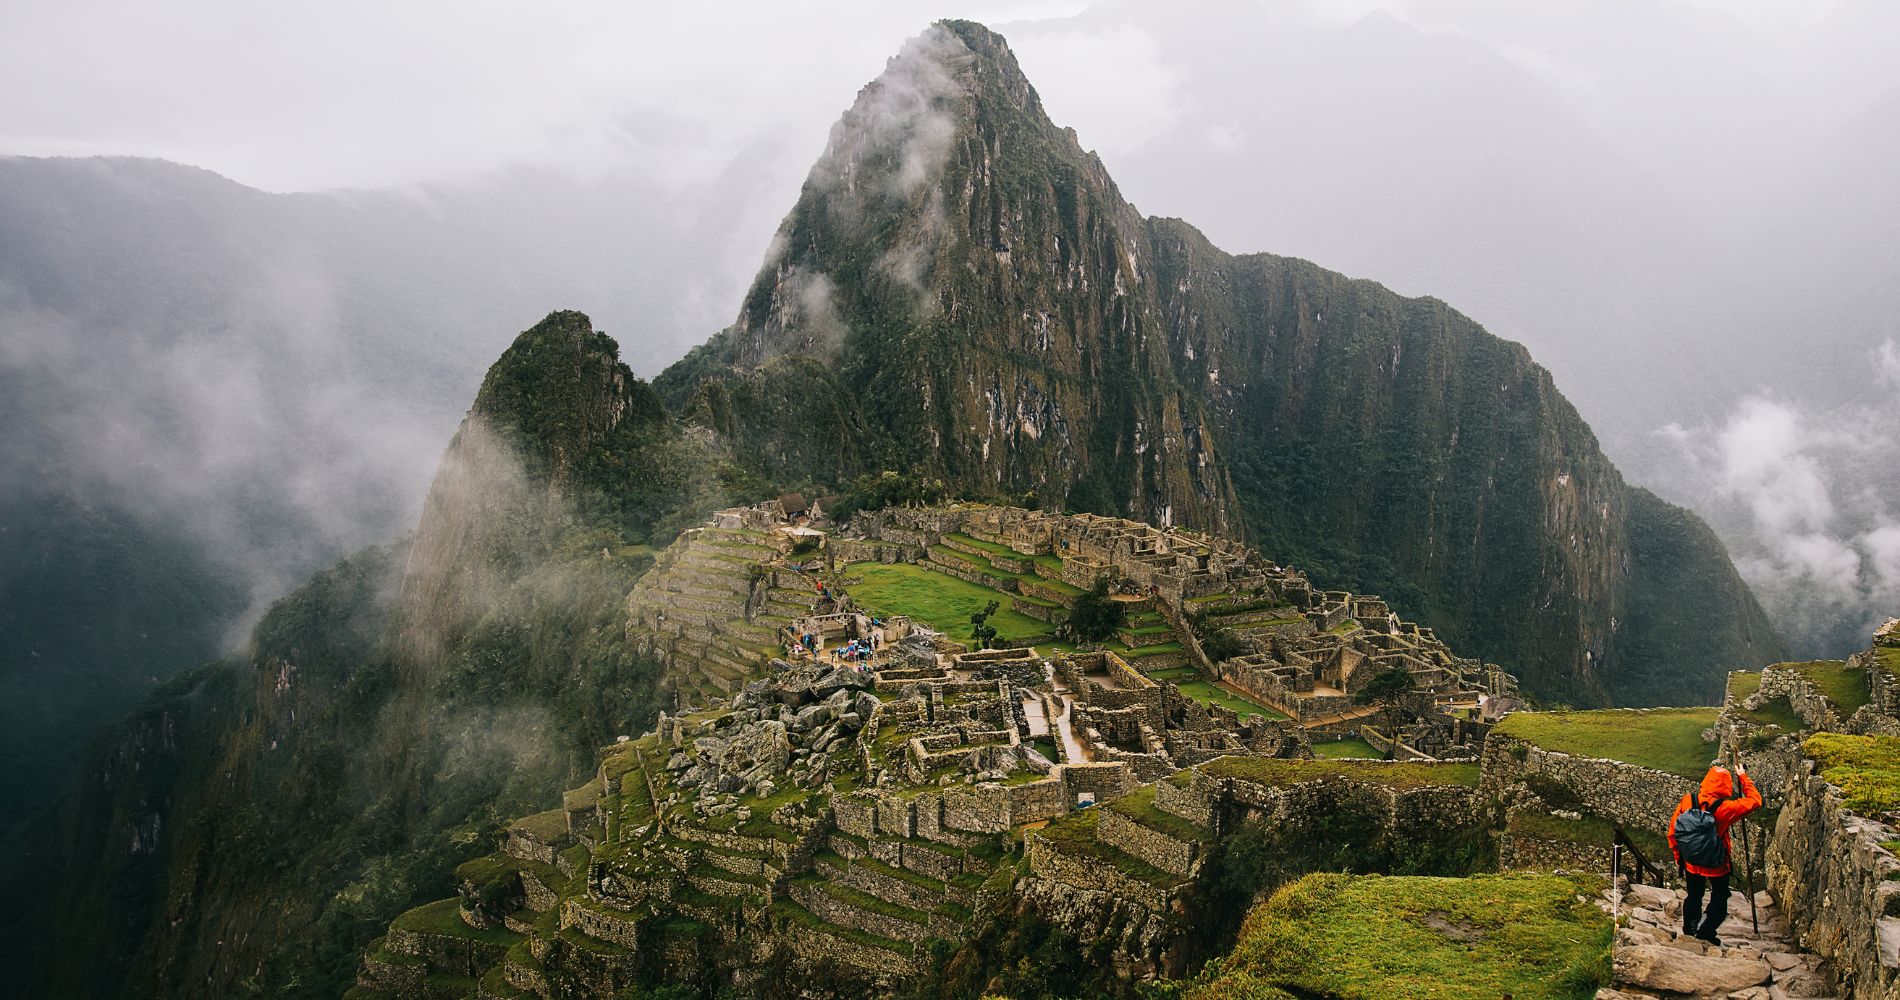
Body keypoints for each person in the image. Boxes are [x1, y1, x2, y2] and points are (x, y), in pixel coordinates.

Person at [1667, 762, 1762, 945]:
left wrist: (1679, 857)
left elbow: (1674, 830)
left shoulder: (1688, 800)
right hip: (1716, 862)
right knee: (1720, 895)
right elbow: (1755, 801)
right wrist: (1743, 777)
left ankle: (1689, 930)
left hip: (1692, 861)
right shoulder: (1726, 808)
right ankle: (1706, 932)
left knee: (1694, 895)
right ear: (1726, 785)